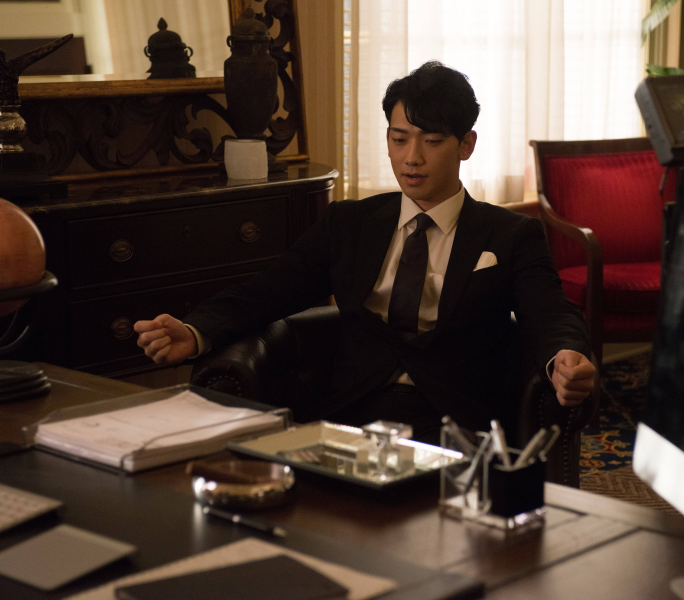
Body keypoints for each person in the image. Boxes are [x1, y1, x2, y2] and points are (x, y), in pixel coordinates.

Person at [135, 61, 595, 441]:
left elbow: (550, 312)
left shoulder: (511, 235)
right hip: (349, 410)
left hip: (453, 419)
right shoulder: (350, 223)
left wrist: (566, 354)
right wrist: (197, 329)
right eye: (399, 138)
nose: (412, 157)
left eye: (432, 141)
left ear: (466, 145)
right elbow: (270, 289)